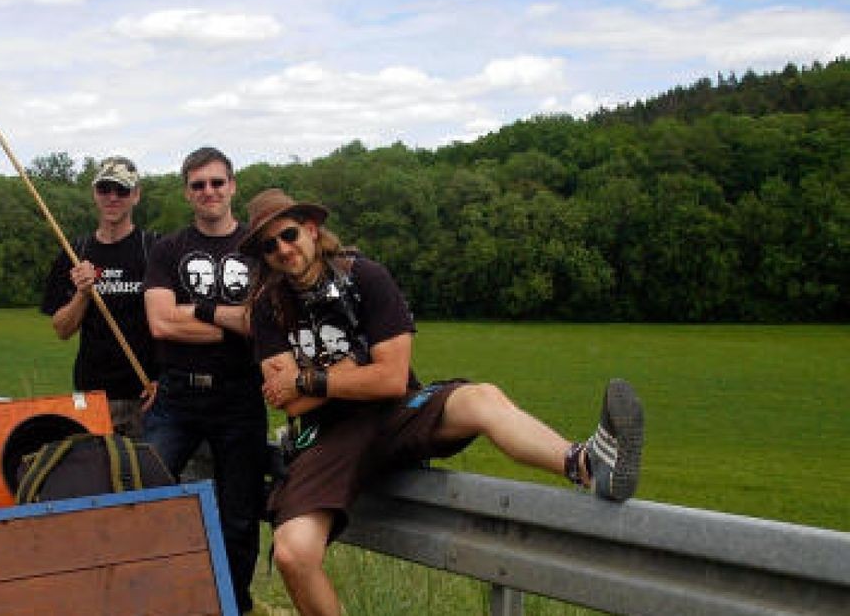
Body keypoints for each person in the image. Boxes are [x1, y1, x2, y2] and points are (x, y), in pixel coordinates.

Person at [241, 188, 645, 616]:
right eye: (269, 246)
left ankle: (587, 464)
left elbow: (391, 379)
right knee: (292, 554)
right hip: (329, 437)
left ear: (310, 228)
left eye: (287, 235)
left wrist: (310, 378)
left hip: (397, 414)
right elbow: (291, 405)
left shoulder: (364, 278)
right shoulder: (269, 307)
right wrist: (352, 372)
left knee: (481, 398)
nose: (282, 250)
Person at [143, 146, 267, 614]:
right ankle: (167, 595)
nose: (209, 192)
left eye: (217, 182)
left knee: (239, 516)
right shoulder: (168, 249)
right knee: (146, 490)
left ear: (232, 185)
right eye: (198, 185)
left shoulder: (259, 247)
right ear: (187, 193)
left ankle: (234, 605)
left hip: (240, 397)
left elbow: (265, 324)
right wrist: (233, 323)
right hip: (176, 394)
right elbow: (160, 324)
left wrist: (192, 308)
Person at [41, 156, 159, 438]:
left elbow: (170, 323)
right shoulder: (75, 251)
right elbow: (62, 329)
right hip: (92, 395)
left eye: (122, 190)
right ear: (95, 193)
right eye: (105, 189)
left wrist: (164, 379)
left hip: (145, 397)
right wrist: (83, 294)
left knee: (146, 480)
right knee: (97, 477)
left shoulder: (154, 248)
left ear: (136, 195)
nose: (112, 197)